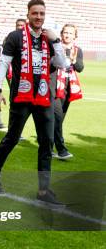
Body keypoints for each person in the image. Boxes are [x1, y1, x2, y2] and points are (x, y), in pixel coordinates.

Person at [0, 0, 68, 206]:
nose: (38, 17)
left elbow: (62, 64)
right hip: (21, 97)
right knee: (12, 138)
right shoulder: (15, 37)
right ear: (28, 15)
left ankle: (43, 190)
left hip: (44, 97)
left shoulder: (50, 38)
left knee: (46, 142)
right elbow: (3, 64)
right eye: (35, 13)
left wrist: (57, 41)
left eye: (42, 13)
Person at [52, 24, 84, 160]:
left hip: (69, 88)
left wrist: (74, 60)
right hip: (54, 86)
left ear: (74, 36)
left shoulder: (77, 50)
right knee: (57, 118)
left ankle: (48, 147)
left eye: (70, 33)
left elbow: (80, 68)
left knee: (58, 120)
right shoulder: (55, 47)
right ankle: (61, 150)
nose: (67, 35)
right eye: (65, 32)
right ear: (61, 33)